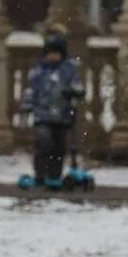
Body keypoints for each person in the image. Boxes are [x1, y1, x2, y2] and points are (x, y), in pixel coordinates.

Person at [20, 34, 86, 189]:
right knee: (44, 141)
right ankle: (40, 173)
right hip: (42, 114)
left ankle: (54, 176)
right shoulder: (38, 71)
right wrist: (27, 106)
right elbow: (31, 91)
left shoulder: (69, 70)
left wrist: (74, 92)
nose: (53, 56)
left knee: (59, 146)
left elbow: (79, 86)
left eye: (56, 53)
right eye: (50, 52)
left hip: (63, 116)